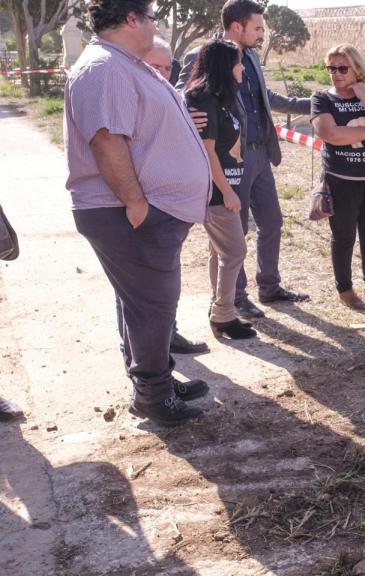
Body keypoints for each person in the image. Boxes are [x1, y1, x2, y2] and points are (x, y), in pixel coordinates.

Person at [65, 0, 211, 427]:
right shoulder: (105, 68)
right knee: (153, 306)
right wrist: (136, 203)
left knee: (146, 304)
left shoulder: (122, 64)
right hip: (126, 212)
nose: (154, 24)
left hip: (141, 210)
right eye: (151, 17)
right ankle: (153, 395)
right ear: (131, 19)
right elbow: (108, 141)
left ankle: (156, 381)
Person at [177, 0, 310, 319]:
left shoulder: (250, 55)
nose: (262, 33)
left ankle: (270, 286)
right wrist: (190, 113)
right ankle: (234, 297)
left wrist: (311, 103)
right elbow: (182, 94)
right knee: (233, 235)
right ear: (237, 26)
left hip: (261, 154)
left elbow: (266, 99)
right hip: (227, 161)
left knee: (272, 222)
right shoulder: (202, 55)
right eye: (258, 27)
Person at [311, 44, 365, 310]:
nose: (335, 73)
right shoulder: (322, 99)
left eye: (342, 68)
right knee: (344, 236)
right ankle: (345, 289)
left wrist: (362, 95)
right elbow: (331, 134)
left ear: (357, 69)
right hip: (341, 180)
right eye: (331, 68)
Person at [185, 39, 258, 340]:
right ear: (223, 67)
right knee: (235, 250)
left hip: (230, 183)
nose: (242, 67)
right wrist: (227, 191)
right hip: (216, 190)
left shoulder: (225, 96)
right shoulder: (204, 99)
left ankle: (219, 309)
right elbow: (208, 152)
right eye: (238, 62)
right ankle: (224, 316)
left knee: (220, 250)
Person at [140, 35, 209, 354]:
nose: (162, 73)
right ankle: (146, 355)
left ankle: (168, 335)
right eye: (155, 65)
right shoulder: (133, 93)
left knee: (166, 284)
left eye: (168, 67)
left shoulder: (172, 95)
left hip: (170, 208)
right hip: (144, 206)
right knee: (140, 287)